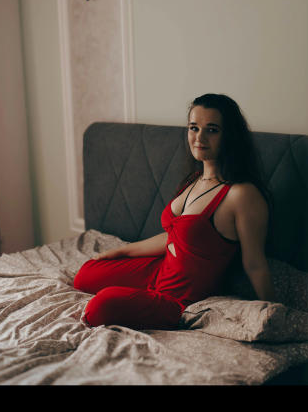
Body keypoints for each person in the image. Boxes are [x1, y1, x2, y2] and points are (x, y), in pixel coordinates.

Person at [73, 94, 277, 330]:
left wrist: (273, 312)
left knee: (99, 307)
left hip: (177, 299)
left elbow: (254, 263)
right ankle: (133, 293)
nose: (199, 138)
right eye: (194, 128)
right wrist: (123, 251)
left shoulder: (241, 194)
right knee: (85, 274)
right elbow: (175, 237)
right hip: (159, 271)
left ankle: (132, 299)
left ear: (230, 135)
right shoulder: (195, 179)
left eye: (212, 130)